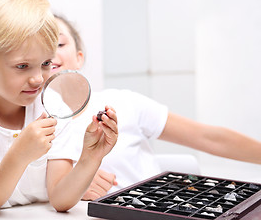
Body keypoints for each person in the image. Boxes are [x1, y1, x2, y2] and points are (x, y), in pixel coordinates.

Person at [0, 0, 118, 214]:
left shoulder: (54, 107)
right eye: (22, 66)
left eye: (46, 64)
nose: (38, 78)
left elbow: (61, 199)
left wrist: (90, 158)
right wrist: (20, 153)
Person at [52, 14, 261, 200]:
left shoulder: (123, 103)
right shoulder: (35, 128)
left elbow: (208, 137)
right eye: (43, 47)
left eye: (60, 44)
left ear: (80, 57)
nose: (51, 53)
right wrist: (76, 181)